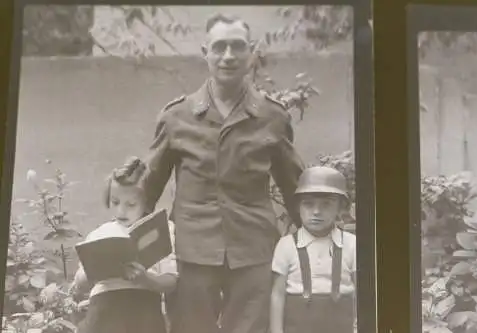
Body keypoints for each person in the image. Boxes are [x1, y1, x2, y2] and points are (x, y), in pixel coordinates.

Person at [126, 13, 305, 333]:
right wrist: (127, 244)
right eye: (219, 47)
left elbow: (295, 189)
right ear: (204, 51)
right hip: (193, 250)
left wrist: (316, 246)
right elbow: (146, 191)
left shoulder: (272, 117)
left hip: (254, 249)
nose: (228, 56)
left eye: (237, 46)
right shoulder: (176, 116)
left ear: (252, 53)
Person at [70, 157, 178, 333]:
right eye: (115, 202)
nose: (121, 211)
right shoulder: (99, 234)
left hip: (143, 312)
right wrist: (93, 271)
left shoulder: (159, 230)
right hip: (104, 311)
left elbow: (171, 281)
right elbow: (80, 283)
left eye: (131, 204)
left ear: (147, 202)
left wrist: (146, 279)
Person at [270, 166, 357, 333]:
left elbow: (362, 293)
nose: (316, 212)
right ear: (297, 207)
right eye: (308, 204)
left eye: (326, 205)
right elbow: (277, 294)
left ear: (340, 208)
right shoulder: (286, 245)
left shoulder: (351, 244)